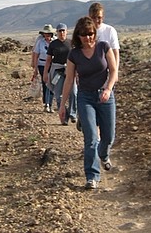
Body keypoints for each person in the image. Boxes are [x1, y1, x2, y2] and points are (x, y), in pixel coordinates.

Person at [59, 16, 118, 190]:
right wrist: (63, 105)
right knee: (91, 138)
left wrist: (108, 88)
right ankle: (92, 176)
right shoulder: (74, 54)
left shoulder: (103, 47)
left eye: (91, 33)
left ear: (95, 33)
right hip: (85, 98)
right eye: (84, 34)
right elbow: (69, 80)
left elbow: (114, 71)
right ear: (79, 35)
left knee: (108, 137)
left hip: (105, 96)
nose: (88, 38)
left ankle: (104, 154)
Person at [43, 22, 77, 125]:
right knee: (58, 95)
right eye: (60, 31)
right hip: (58, 71)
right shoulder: (53, 44)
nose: (62, 33)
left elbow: (76, 58)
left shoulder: (71, 43)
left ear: (66, 32)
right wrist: (45, 73)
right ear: (57, 32)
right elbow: (48, 60)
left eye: (63, 30)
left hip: (70, 70)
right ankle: (63, 116)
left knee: (74, 93)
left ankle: (73, 113)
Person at [88, 2, 120, 72]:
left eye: (99, 17)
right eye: (93, 17)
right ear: (89, 17)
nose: (96, 20)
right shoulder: (84, 32)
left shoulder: (110, 30)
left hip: (107, 71)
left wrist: (115, 72)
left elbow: (115, 52)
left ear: (103, 17)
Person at [32, 24, 55, 112]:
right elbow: (36, 54)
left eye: (49, 33)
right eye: (46, 33)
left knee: (52, 83)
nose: (47, 35)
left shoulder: (55, 41)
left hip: (53, 65)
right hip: (42, 64)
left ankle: (50, 103)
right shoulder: (40, 42)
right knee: (46, 82)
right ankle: (46, 103)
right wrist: (35, 68)